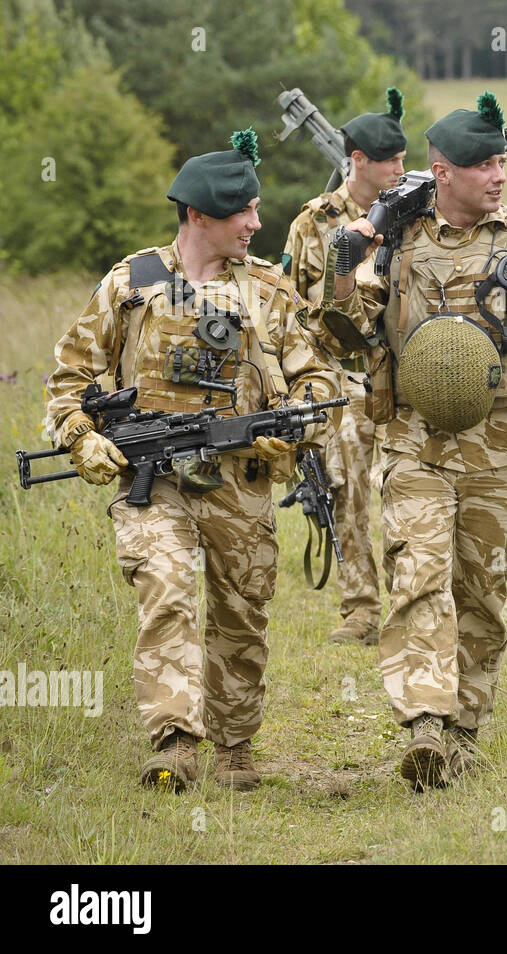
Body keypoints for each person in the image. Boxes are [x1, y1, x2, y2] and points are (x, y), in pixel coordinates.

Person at [328, 93, 507, 790]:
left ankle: (463, 729)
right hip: (414, 446)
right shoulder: (391, 240)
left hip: (497, 450)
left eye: (501, 162)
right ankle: (425, 720)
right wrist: (343, 268)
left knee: (482, 594)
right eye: (483, 164)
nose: (498, 176)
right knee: (419, 578)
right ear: (441, 172)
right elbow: (340, 334)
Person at [43, 129, 341, 791]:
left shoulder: (267, 292)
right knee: (167, 590)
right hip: (155, 484)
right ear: (198, 216)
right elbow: (68, 376)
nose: (257, 223)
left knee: (242, 616)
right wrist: (81, 436)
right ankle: (175, 743)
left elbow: (319, 381)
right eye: (243, 212)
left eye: (257, 209)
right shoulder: (131, 284)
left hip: (243, 483)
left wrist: (291, 429)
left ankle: (235, 750)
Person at [282, 87, 408, 646]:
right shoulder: (314, 223)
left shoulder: (413, 211)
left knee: (408, 485)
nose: (400, 171)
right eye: (390, 162)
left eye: (405, 160)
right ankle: (360, 608)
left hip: (405, 370)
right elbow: (288, 306)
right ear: (356, 160)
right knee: (348, 485)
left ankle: (415, 599)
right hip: (340, 374)